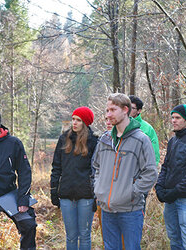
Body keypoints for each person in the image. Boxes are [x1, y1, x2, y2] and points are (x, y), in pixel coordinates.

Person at [93, 93, 157, 250]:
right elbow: (96, 167)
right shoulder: (105, 139)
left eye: (113, 110)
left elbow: (150, 173)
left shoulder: (141, 139)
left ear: (125, 110)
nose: (108, 115)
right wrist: (99, 189)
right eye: (107, 110)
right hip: (107, 210)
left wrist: (131, 193)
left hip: (130, 211)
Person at [155, 104, 186, 250]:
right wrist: (159, 186)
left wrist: (176, 191)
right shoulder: (173, 140)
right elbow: (165, 166)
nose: (173, 120)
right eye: (172, 117)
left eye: (178, 117)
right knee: (174, 239)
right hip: (170, 199)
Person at [50, 106, 98, 250]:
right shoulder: (63, 139)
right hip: (66, 194)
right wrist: (53, 190)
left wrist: (96, 194)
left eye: (78, 120)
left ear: (86, 122)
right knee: (70, 235)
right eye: (73, 119)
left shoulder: (94, 141)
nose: (74, 123)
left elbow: (97, 170)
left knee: (84, 235)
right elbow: (56, 167)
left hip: (86, 195)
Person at [0, 110, 37, 250]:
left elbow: (24, 172)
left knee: (29, 224)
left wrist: (23, 198)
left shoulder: (13, 143)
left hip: (9, 194)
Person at [129, 95, 160, 166]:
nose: (128, 110)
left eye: (132, 108)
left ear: (139, 111)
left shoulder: (147, 128)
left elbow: (154, 153)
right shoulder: (119, 126)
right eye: (127, 107)